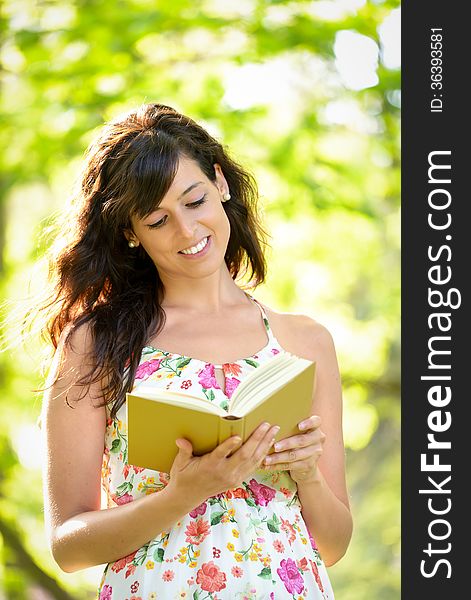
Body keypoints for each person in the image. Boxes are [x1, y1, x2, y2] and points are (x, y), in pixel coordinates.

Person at [39, 103, 352, 599]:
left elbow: (333, 545)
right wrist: (183, 494)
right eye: (157, 220)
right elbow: (68, 546)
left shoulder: (306, 341)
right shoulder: (96, 345)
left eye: (194, 200)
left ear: (221, 184)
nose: (186, 231)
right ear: (130, 234)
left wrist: (308, 475)